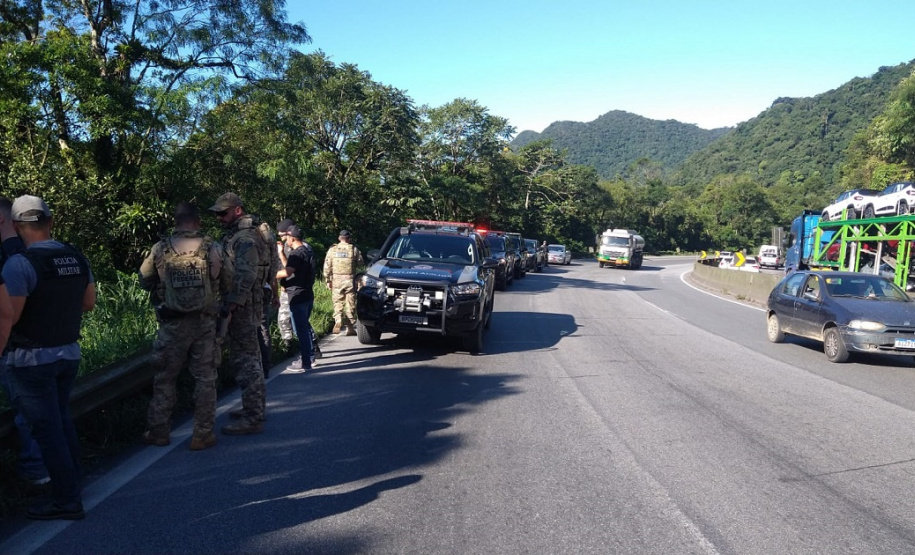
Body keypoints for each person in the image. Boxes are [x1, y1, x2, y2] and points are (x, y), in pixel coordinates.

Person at [3, 195, 95, 520]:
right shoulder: (76, 257)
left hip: (31, 361)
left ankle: (66, 501)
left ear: (16, 227)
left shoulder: (19, 264)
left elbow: (9, 317)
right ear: (50, 221)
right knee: (62, 421)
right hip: (68, 354)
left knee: (47, 430)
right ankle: (73, 484)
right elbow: (88, 303)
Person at [138, 202, 227, 451]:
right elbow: (228, 279)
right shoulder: (213, 248)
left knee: (165, 378)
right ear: (197, 222)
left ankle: (159, 432)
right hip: (205, 324)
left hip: (172, 324)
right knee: (206, 379)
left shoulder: (160, 248)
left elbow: (145, 279)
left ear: (175, 221)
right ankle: (202, 434)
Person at [209, 192, 268, 435]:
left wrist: (233, 303)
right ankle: (253, 409)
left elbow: (247, 274)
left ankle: (252, 417)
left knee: (246, 360)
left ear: (238, 210)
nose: (220, 218)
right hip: (244, 304)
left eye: (224, 213)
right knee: (248, 356)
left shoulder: (245, 238)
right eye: (218, 213)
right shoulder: (240, 235)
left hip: (242, 306)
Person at [0, 196, 49, 485]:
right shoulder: (38, 252)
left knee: (26, 413)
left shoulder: (10, 256)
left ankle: (36, 472)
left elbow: (9, 313)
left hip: (16, 347)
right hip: (48, 343)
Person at [276, 218, 321, 363]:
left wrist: (268, 275)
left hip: (297, 290)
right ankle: (296, 349)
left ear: (291, 235)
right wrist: (281, 253)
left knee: (299, 323)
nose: (282, 239)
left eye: (284, 236)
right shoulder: (293, 248)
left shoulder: (300, 249)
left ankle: (308, 352)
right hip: (294, 289)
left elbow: (290, 271)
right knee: (290, 321)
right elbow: (289, 266)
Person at [323, 229, 364, 335]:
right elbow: (361, 263)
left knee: (337, 302)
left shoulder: (332, 250)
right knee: (350, 303)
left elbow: (327, 267)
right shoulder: (354, 249)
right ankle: (350, 327)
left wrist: (328, 280)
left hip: (336, 280)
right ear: (349, 238)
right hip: (350, 280)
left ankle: (338, 320)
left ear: (339, 238)